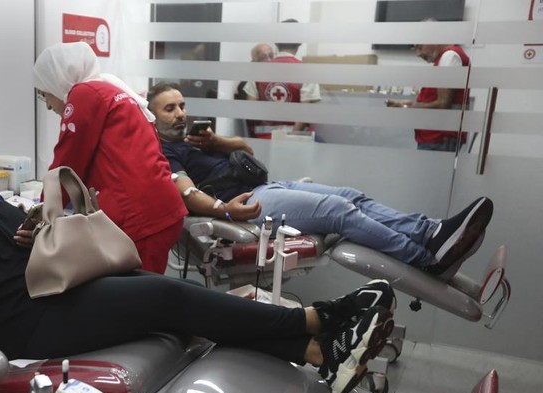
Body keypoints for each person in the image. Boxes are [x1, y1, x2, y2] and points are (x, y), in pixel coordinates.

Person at [0, 111, 396, 393]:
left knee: (183, 293)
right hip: (20, 320)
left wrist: (33, 231)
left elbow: (12, 237)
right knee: (164, 292)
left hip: (55, 289)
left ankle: (322, 355)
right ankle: (321, 319)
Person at [147, 83, 493, 277]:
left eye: (181, 106)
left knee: (351, 195)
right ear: (153, 116)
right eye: (170, 109)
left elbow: (244, 149)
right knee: (337, 210)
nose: (180, 114)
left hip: (270, 186)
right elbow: (189, 195)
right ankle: (422, 258)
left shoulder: (193, 140)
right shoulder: (166, 152)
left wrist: (216, 142)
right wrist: (226, 210)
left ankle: (430, 232)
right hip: (249, 203)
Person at [32, 41, 186, 274]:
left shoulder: (84, 93)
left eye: (44, 95)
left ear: (57, 80)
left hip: (141, 216)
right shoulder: (110, 90)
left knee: (138, 302)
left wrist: (40, 213)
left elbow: (67, 164)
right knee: (146, 295)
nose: (48, 106)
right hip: (158, 208)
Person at [386, 20, 471, 152]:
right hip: (435, 138)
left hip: (440, 138)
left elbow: (443, 104)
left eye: (420, 47)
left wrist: (411, 106)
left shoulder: (450, 56)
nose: (418, 54)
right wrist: (410, 104)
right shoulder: (444, 59)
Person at [241, 19, 322, 137]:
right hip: (295, 144)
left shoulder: (258, 71)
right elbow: (305, 113)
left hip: (262, 142)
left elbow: (250, 110)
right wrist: (288, 140)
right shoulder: (306, 71)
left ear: (276, 42)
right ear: (300, 42)